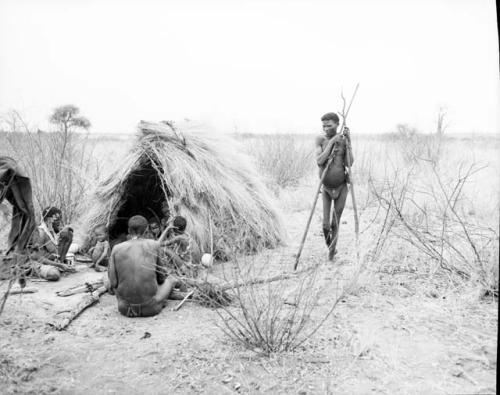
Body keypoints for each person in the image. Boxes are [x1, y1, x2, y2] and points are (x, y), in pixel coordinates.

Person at [108, 215, 179, 317]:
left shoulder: (116, 248)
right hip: (150, 308)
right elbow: (161, 278)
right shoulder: (154, 245)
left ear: (129, 230)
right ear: (146, 230)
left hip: (125, 309)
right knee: (172, 279)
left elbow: (113, 283)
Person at [315, 112, 354, 260]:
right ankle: (331, 246)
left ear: (337, 124)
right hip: (325, 188)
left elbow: (349, 163)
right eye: (323, 126)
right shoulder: (320, 139)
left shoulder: (343, 140)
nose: (326, 128)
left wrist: (348, 142)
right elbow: (319, 161)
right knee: (325, 225)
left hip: (341, 186)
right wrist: (331, 143)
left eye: (329, 126)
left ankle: (331, 254)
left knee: (335, 222)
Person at [29, 207, 74, 281]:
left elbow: (57, 245)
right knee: (54, 275)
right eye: (56, 219)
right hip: (38, 262)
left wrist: (59, 262)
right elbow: (37, 257)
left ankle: (61, 263)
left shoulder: (52, 231)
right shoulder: (41, 233)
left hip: (52, 261)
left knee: (68, 233)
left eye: (59, 218)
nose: (59, 221)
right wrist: (58, 265)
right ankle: (35, 271)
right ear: (48, 219)